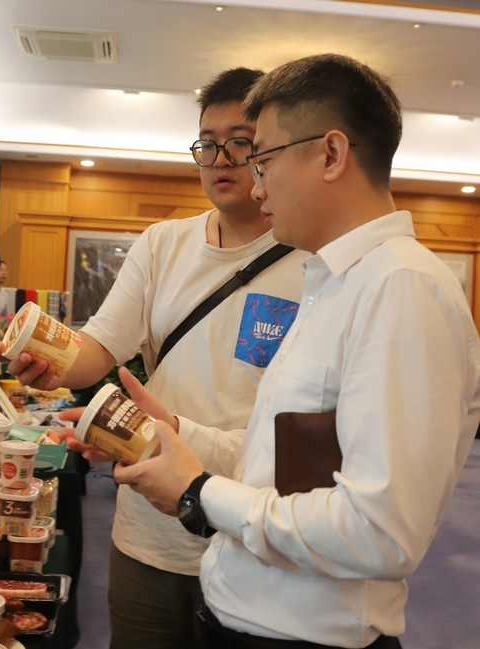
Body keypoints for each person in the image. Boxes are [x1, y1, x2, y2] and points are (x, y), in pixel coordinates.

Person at [109, 53, 480, 648]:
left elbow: (379, 531)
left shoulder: (401, 288)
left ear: (331, 155)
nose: (256, 185)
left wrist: (199, 493)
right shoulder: (333, 282)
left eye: (264, 160)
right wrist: (179, 434)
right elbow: (284, 464)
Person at [0, 68, 308, 648]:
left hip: (251, 526)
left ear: (269, 148)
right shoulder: (163, 243)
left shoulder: (310, 257)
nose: (221, 159)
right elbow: (98, 348)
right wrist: (47, 361)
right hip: (149, 528)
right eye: (207, 143)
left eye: (240, 142)